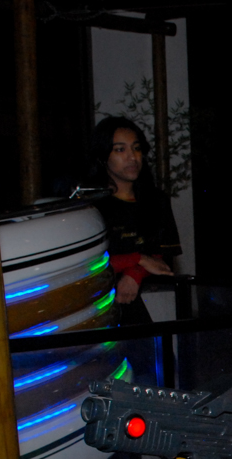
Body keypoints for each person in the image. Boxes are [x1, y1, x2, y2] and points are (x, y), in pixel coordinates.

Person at [88, 117, 178, 324]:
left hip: (152, 299)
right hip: (97, 303)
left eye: (136, 149)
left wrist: (134, 273)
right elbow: (88, 267)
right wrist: (138, 258)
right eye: (120, 150)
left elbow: (163, 257)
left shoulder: (156, 200)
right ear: (103, 156)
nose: (132, 157)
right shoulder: (91, 206)